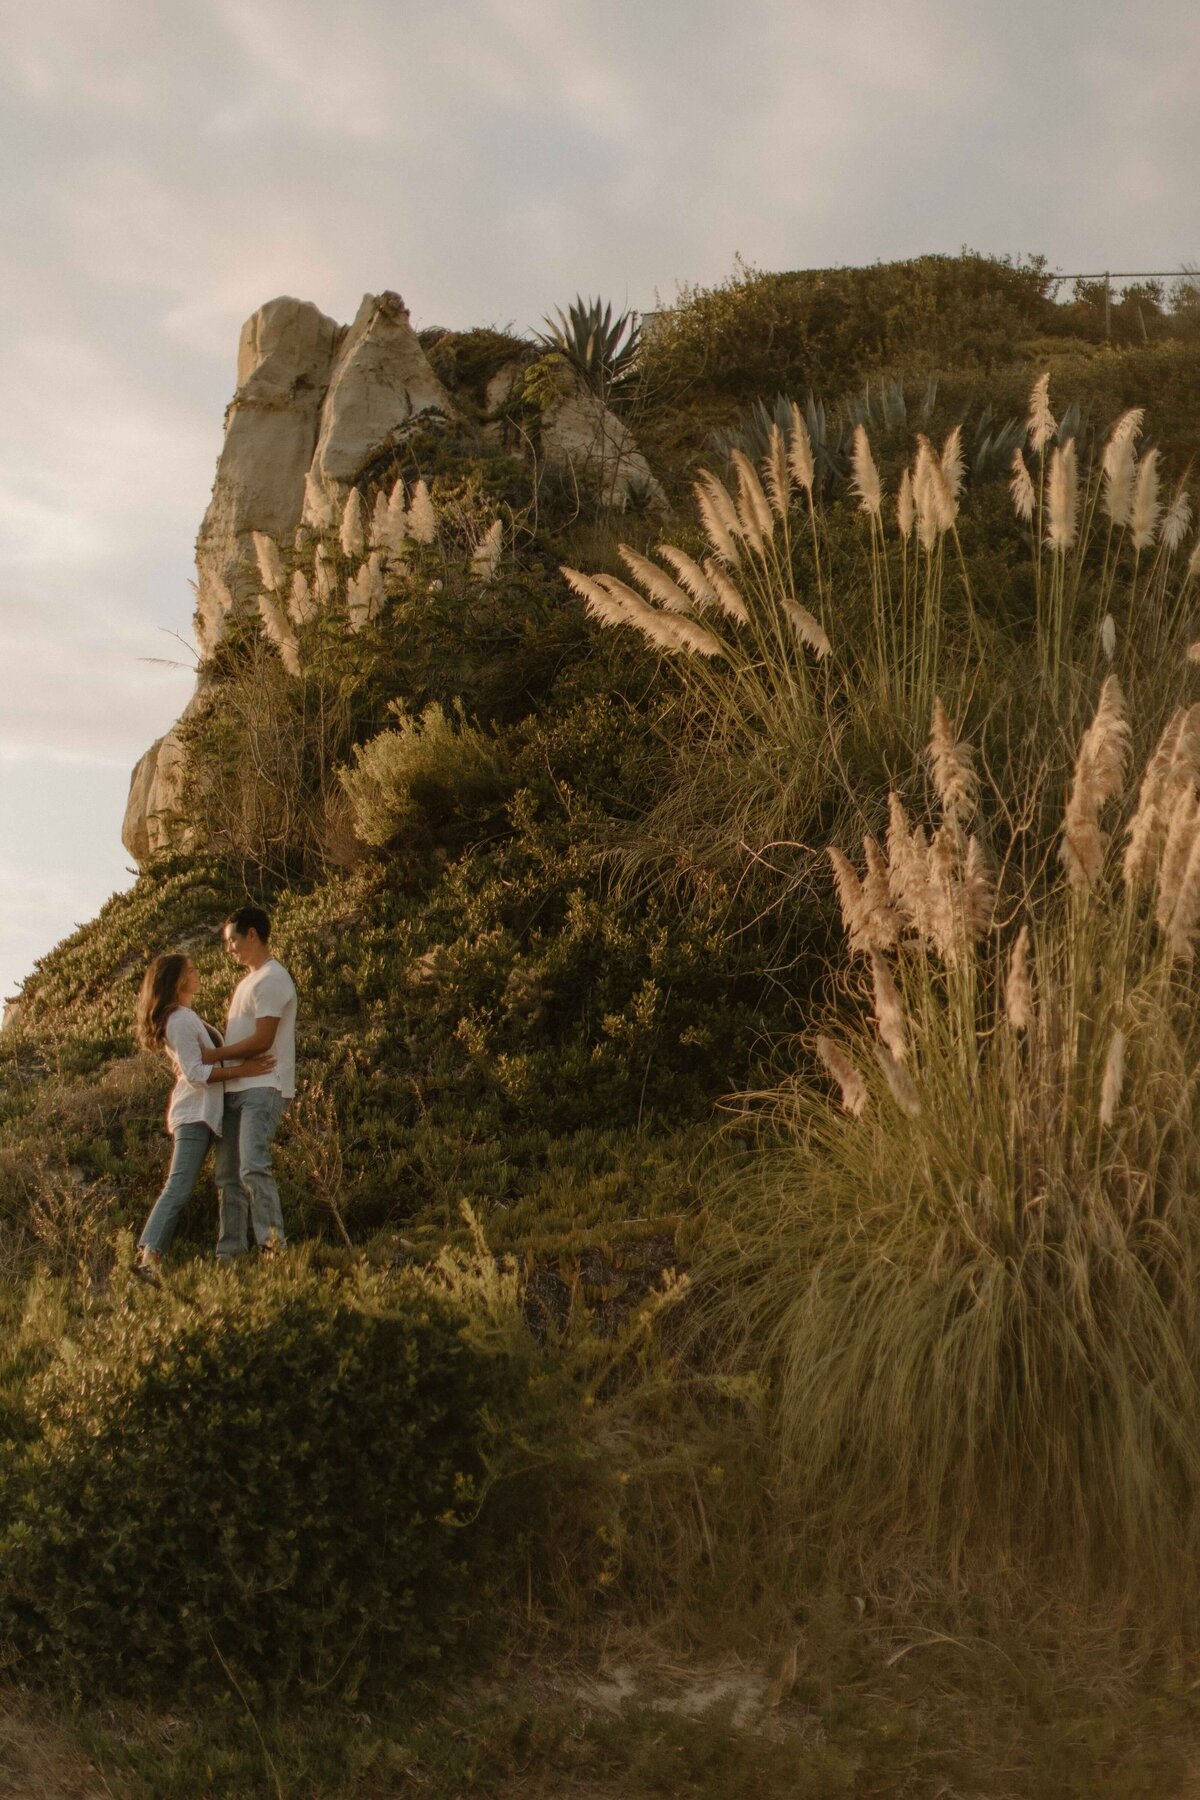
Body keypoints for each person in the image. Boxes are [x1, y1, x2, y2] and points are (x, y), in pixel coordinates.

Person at [134, 952, 275, 1278]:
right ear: (177, 980)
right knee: (179, 1186)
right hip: (194, 1114)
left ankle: (231, 1256)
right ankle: (148, 1259)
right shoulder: (179, 1020)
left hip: (211, 1111)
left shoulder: (185, 1016)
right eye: (192, 970)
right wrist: (244, 1069)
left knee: (230, 1181)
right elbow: (197, 1073)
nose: (198, 974)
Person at [200, 905, 297, 1259]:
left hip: (263, 1087)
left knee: (253, 1167)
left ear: (252, 935)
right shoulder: (247, 982)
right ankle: (231, 1257)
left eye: (233, 940)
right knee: (228, 1177)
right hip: (236, 1088)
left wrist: (213, 1056)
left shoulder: (273, 978)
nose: (230, 949)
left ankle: (275, 1253)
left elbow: (262, 1040)